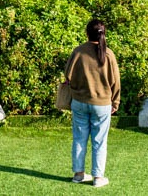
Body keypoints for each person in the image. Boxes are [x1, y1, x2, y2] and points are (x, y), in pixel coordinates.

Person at [65, 19, 120, 188]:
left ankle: (78, 174)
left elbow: (67, 75)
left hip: (79, 101)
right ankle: (98, 177)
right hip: (102, 103)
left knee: (79, 138)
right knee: (99, 141)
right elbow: (116, 82)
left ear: (87, 33)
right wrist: (115, 102)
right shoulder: (108, 54)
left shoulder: (78, 51)